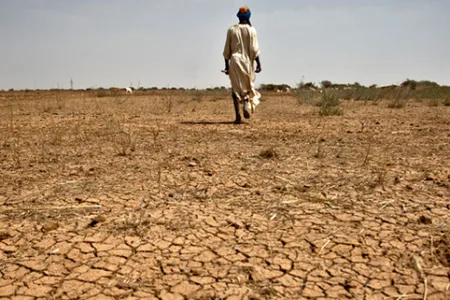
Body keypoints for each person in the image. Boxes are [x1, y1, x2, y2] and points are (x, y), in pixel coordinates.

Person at [223, 6, 262, 124]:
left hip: (234, 61)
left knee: (235, 89)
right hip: (247, 62)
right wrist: (258, 63)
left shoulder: (232, 30)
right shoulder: (252, 30)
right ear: (249, 16)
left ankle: (237, 117)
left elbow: (227, 50)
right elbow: (255, 49)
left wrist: (226, 66)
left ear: (238, 17)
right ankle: (245, 105)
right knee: (247, 87)